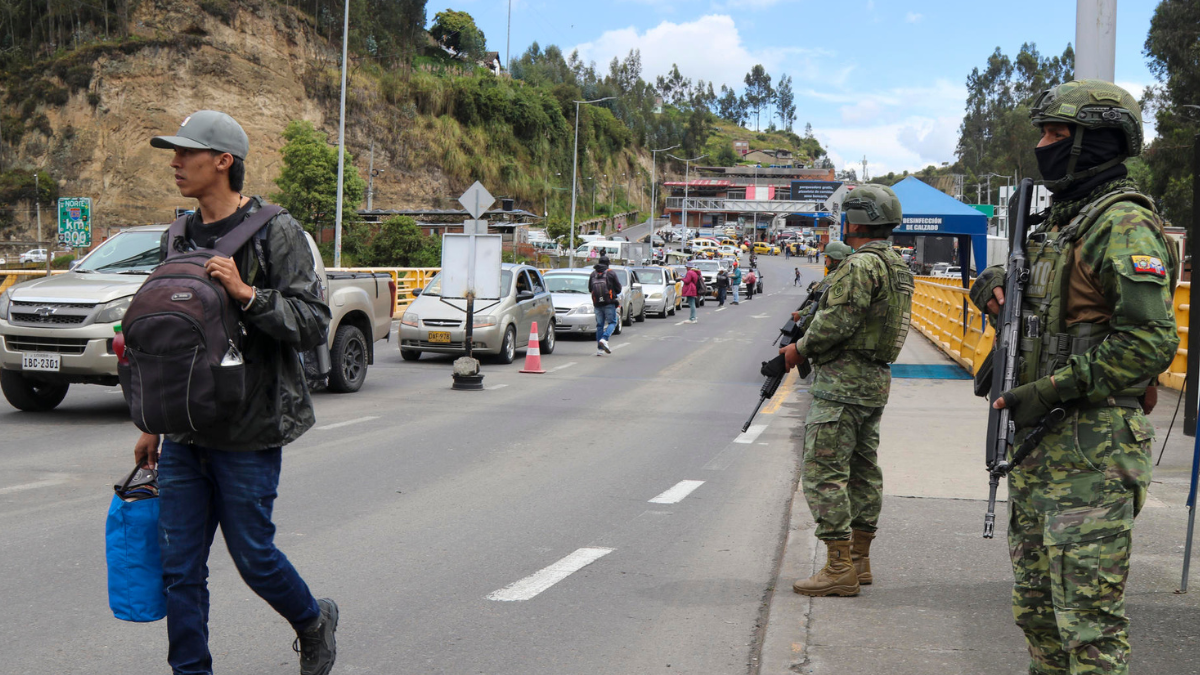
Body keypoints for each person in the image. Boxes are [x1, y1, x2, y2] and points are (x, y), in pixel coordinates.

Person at [969, 80, 1177, 675]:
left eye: (1056, 134)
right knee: (1038, 612)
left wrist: (1048, 391)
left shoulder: (1122, 224)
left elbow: (1150, 340)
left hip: (1092, 452)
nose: (1043, 145)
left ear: (1096, 141)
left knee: (1088, 627)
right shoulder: (1061, 224)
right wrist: (992, 288)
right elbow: (1036, 301)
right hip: (1042, 446)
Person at [135, 111, 338, 675]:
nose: (175, 162)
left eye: (186, 153)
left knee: (254, 558)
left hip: (250, 429)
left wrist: (248, 294)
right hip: (183, 431)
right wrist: (152, 422)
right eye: (173, 153)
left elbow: (314, 321)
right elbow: (166, 341)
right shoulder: (174, 236)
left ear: (223, 161)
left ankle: (313, 619)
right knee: (180, 569)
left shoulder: (278, 231)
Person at [780, 185, 914, 598]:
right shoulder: (898, 265)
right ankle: (859, 559)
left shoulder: (859, 266)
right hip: (874, 381)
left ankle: (838, 567)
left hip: (842, 383)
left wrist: (795, 350)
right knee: (862, 470)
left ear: (855, 221)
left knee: (823, 473)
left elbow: (835, 323)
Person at [589, 255, 622, 355]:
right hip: (609, 302)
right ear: (608, 263)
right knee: (612, 322)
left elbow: (590, 289)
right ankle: (604, 338)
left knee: (600, 325)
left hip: (597, 303)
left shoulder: (593, 274)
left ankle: (599, 350)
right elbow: (619, 289)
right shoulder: (610, 273)